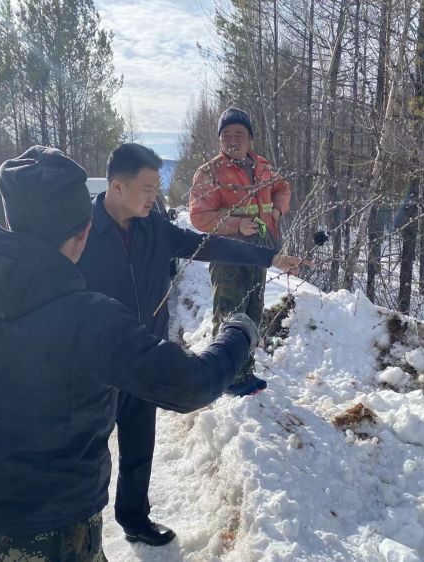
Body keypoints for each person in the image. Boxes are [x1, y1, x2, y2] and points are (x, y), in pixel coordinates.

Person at [0, 146, 259, 561]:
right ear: (83, 232)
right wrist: (238, 334)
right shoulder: (86, 317)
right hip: (59, 532)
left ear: (12, 221)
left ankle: (135, 516)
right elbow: (189, 385)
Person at [77, 142, 304, 546]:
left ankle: (135, 518)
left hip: (144, 354)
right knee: (86, 451)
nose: (154, 196)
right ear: (116, 187)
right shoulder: (81, 230)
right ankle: (80, 533)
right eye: (147, 188)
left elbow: (209, 245)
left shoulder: (155, 227)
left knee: (138, 446)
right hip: (92, 359)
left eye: (156, 188)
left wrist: (268, 258)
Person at [189, 107, 291, 386]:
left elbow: (283, 188)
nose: (233, 140)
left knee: (252, 313)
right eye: (226, 135)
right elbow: (198, 216)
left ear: (250, 139)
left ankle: (244, 371)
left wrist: (279, 211)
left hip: (259, 254)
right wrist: (236, 224)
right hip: (228, 259)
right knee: (229, 317)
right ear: (219, 139)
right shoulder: (209, 172)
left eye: (239, 134)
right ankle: (223, 378)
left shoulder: (262, 166)